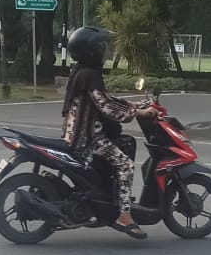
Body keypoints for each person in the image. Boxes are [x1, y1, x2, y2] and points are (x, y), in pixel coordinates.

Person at [61, 26, 155, 239]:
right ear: (91, 50)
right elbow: (107, 107)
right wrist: (139, 113)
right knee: (124, 163)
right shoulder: (89, 74)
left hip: (79, 134)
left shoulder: (82, 72)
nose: (107, 51)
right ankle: (124, 215)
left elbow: (105, 99)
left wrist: (137, 103)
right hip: (88, 138)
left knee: (126, 142)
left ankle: (110, 195)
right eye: (102, 47)